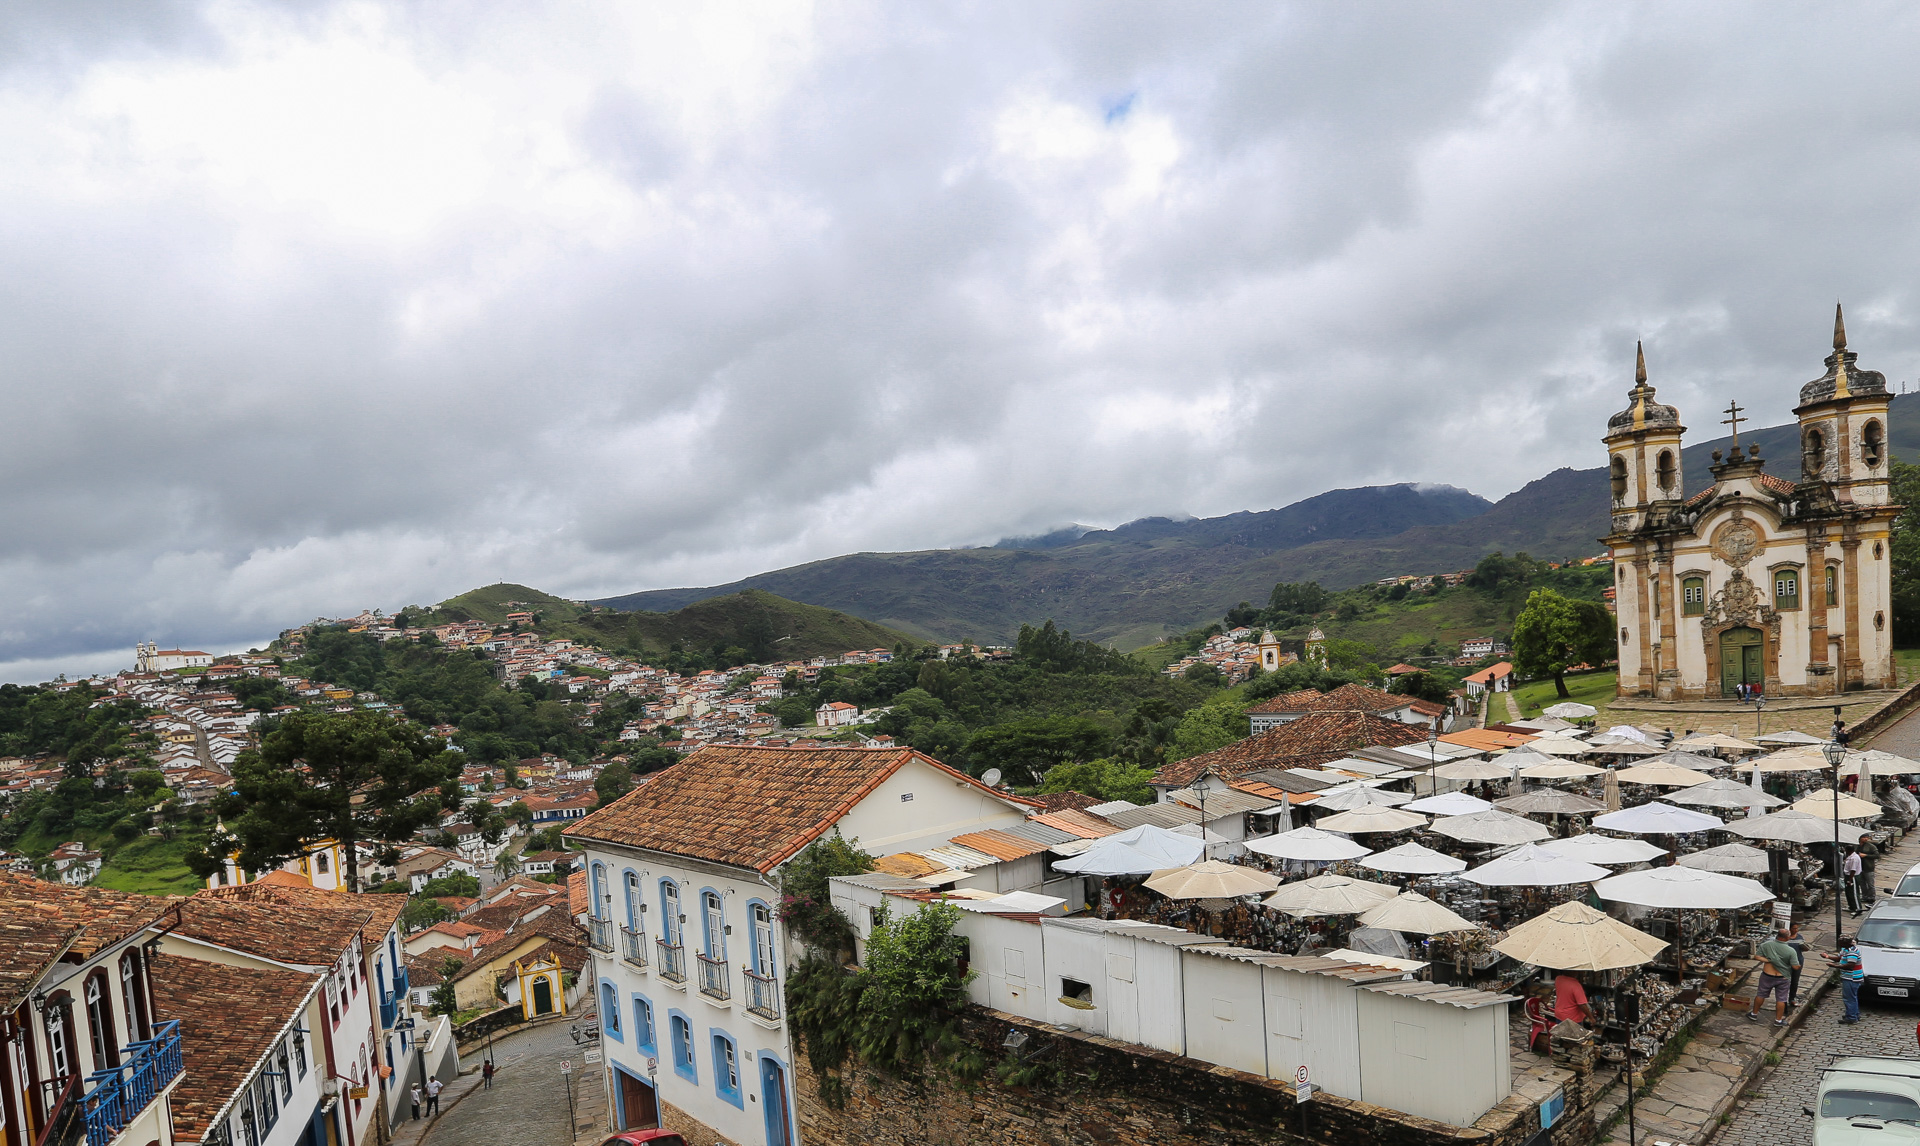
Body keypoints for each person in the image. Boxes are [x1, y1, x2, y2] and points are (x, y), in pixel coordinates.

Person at [1749, 928, 1801, 1027]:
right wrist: (1798, 966)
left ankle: (1754, 1014)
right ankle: (1778, 1020)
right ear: (1787, 938)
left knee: (1760, 994)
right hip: (1783, 977)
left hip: (1767, 975)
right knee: (1781, 999)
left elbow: (1757, 956)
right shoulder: (1791, 951)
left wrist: (1769, 960)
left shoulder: (1766, 945)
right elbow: (1795, 966)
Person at [1824, 934, 1865, 1024]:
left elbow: (1850, 966)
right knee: (1852, 997)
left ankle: (1851, 1017)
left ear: (1846, 943)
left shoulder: (1852, 952)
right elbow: (1839, 958)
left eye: (1840, 942)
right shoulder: (1845, 949)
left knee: (1849, 998)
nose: (1838, 943)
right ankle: (1854, 1014)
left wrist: (1835, 966)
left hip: (1852, 978)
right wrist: (1828, 957)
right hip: (1848, 977)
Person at [1784, 923, 1807, 1013]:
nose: (1796, 930)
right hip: (1787, 963)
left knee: (1795, 981)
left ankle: (1792, 998)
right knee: (1785, 981)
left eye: (1797, 928)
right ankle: (1784, 1000)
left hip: (1798, 961)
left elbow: (1804, 947)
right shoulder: (1785, 938)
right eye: (1794, 928)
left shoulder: (1800, 937)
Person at [1845, 848, 1865, 916]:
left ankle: (1858, 909)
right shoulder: (1850, 857)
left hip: (1853, 876)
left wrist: (1850, 880)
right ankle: (1851, 907)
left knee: (1854, 893)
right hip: (1848, 875)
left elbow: (1853, 870)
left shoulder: (1854, 858)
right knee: (1849, 892)